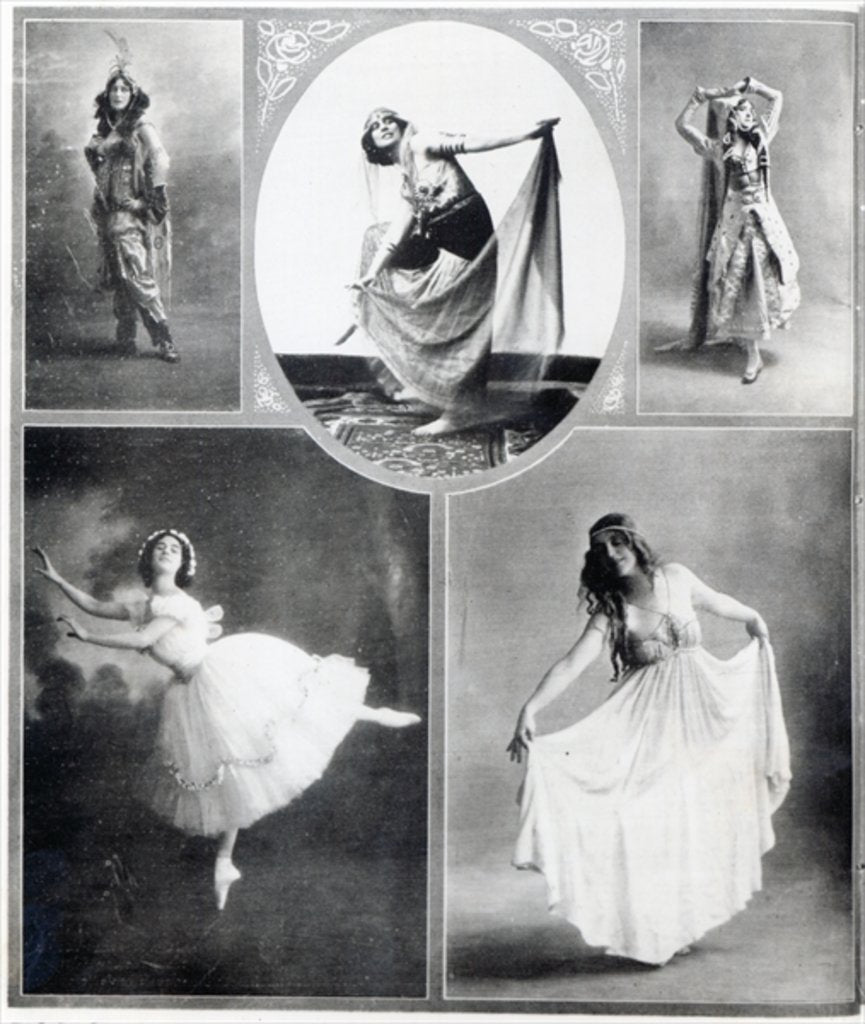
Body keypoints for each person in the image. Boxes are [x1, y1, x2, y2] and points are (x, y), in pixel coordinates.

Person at [33, 530, 421, 910]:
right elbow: (97, 606)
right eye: (160, 548)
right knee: (229, 771)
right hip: (188, 690)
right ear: (149, 559)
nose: (167, 551)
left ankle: (371, 713)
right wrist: (58, 579)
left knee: (286, 707)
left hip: (217, 674)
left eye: (174, 549)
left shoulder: (179, 604)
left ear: (183, 563)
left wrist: (88, 638)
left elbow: (141, 640)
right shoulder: (146, 603)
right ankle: (224, 863)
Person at [507, 513, 790, 966]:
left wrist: (752, 617)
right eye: (602, 550)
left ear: (636, 545)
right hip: (648, 723)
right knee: (648, 819)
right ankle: (655, 927)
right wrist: (531, 708)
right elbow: (571, 663)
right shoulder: (612, 608)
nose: (611, 554)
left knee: (692, 816)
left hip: (700, 711)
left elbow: (716, 601)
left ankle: (680, 919)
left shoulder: (676, 577)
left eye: (618, 544)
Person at [350, 108, 563, 436]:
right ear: (372, 144)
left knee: (462, 323)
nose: (383, 126)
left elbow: (470, 142)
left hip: (470, 243)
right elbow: (395, 237)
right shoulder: (409, 183)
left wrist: (526, 133)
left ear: (401, 123)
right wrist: (370, 274)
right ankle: (456, 401)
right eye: (375, 127)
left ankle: (461, 411)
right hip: (450, 248)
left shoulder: (422, 144)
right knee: (378, 240)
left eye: (387, 119)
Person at [672, 76, 800, 383]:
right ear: (731, 118)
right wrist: (696, 100)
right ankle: (752, 354)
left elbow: (777, 97)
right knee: (741, 282)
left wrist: (754, 86)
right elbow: (682, 127)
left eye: (749, 111)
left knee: (764, 281)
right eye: (743, 111)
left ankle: (752, 348)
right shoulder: (720, 149)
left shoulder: (762, 137)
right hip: (736, 224)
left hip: (765, 221)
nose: (749, 114)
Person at [84, 60, 179, 363]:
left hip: (130, 215)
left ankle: (164, 340)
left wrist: (147, 200)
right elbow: (97, 159)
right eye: (114, 88)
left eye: (125, 88)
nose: (118, 92)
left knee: (135, 273)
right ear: (107, 93)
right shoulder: (106, 127)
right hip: (109, 212)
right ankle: (125, 339)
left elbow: (160, 160)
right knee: (120, 274)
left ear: (133, 94)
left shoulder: (140, 126)